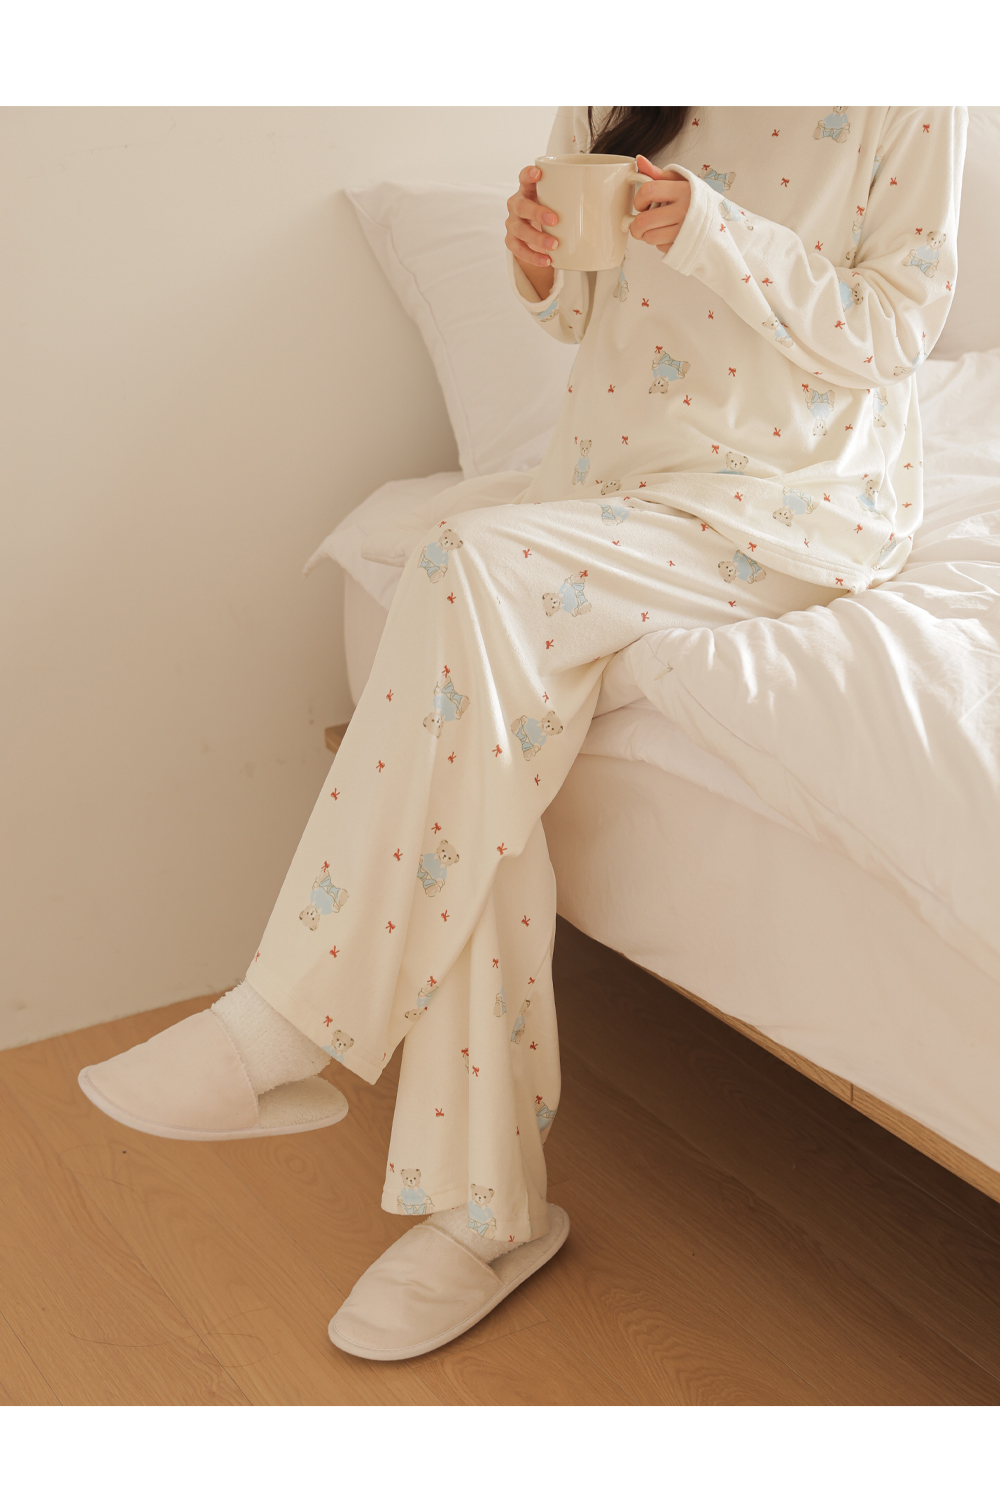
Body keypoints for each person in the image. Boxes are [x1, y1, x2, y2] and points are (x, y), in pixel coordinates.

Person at [77, 105, 966, 1362]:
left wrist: (716, 234)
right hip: (611, 487)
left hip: (794, 509)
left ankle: (290, 1034)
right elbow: (583, 315)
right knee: (471, 715)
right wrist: (543, 265)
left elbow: (894, 328)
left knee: (465, 565)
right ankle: (484, 1212)